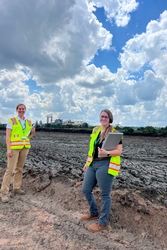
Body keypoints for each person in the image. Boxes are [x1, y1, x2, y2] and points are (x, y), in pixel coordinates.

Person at [81, 109, 122, 232]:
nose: (103, 118)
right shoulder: (96, 130)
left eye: (106, 117)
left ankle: (103, 222)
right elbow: (92, 150)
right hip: (93, 164)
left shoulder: (114, 133)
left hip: (105, 164)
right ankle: (94, 212)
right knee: (86, 189)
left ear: (110, 119)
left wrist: (107, 153)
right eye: (102, 116)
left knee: (105, 194)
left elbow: (119, 151)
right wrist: (87, 163)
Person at [0, 103, 35, 203]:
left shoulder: (29, 122)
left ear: (25, 110)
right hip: (14, 148)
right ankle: (3, 192)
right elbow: (7, 136)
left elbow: (30, 136)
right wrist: (8, 149)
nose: (21, 110)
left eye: (23, 109)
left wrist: (33, 131)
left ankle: (17, 188)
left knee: (19, 168)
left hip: (25, 147)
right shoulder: (12, 121)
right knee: (9, 170)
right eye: (19, 109)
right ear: (16, 110)